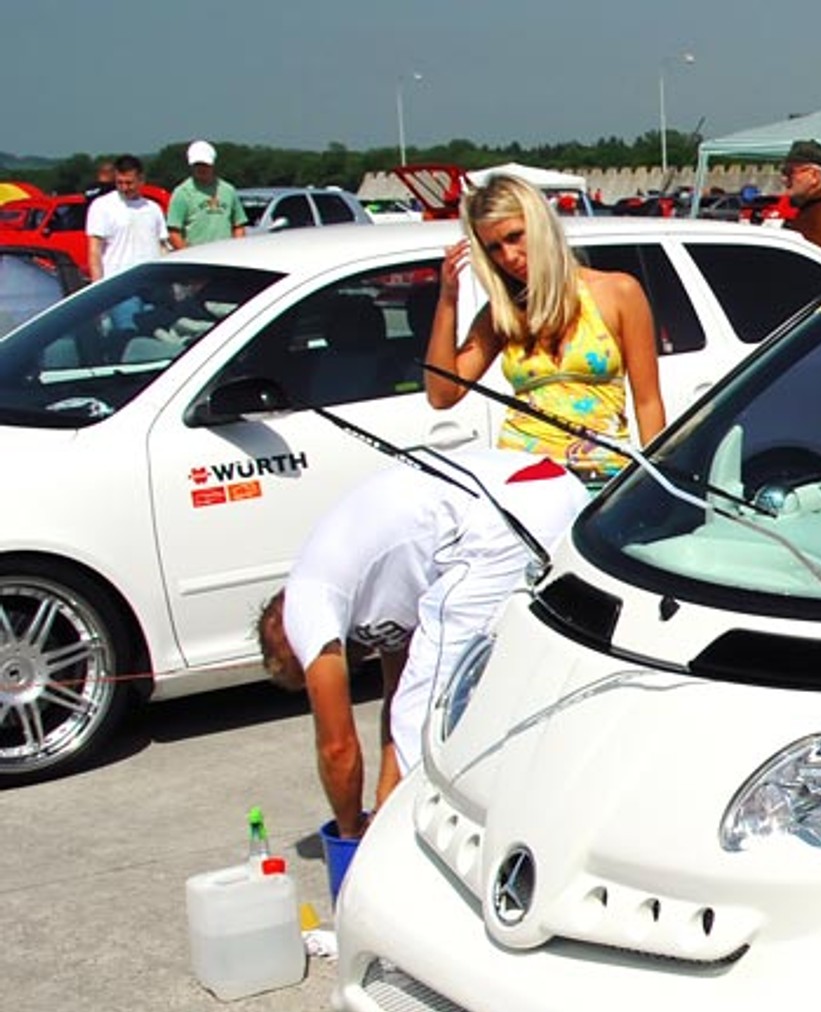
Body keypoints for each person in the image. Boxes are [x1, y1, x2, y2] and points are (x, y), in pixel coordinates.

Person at [256, 451, 588, 838]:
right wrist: (384, 799)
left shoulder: (307, 599)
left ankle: (419, 842)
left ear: (287, 634)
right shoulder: (369, 586)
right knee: (483, 689)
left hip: (506, 517)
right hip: (553, 491)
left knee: (423, 716)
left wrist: (350, 834)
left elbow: (337, 747)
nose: (316, 683)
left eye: (304, 677)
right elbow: (397, 689)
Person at [424, 174, 665, 489]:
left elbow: (647, 401)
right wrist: (447, 300)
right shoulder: (504, 312)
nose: (508, 257)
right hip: (522, 480)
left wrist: (654, 483)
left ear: (539, 226)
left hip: (601, 477)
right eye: (494, 248)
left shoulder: (617, 292)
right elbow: (443, 394)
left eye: (515, 237)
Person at [85, 155, 169, 281]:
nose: (124, 188)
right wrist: (97, 286)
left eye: (129, 183)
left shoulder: (153, 209)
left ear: (141, 180)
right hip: (118, 285)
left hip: (152, 284)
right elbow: (94, 252)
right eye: (120, 182)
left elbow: (162, 247)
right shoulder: (102, 206)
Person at [167, 141, 246, 249]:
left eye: (205, 164)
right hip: (196, 258)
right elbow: (174, 232)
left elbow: (238, 225)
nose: (201, 168)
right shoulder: (182, 192)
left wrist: (237, 249)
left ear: (212, 164)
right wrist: (189, 255)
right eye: (197, 165)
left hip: (226, 255)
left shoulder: (228, 190)